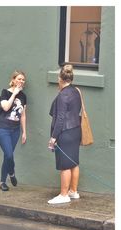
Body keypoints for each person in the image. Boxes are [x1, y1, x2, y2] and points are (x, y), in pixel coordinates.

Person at [48, 64, 82, 204]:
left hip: (65, 132)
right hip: (76, 130)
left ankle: (63, 195)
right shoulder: (76, 91)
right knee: (74, 162)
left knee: (65, 165)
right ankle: (73, 192)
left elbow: (60, 118)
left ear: (61, 79)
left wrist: (53, 137)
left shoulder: (63, 95)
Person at [0, 70, 27, 191]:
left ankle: (2, 182)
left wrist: (24, 131)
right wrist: (14, 94)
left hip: (15, 131)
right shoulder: (5, 92)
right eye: (19, 79)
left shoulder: (24, 96)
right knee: (9, 155)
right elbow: (5, 107)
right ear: (13, 80)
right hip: (3, 129)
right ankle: (12, 173)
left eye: (23, 80)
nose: (21, 81)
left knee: (7, 156)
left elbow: (23, 115)